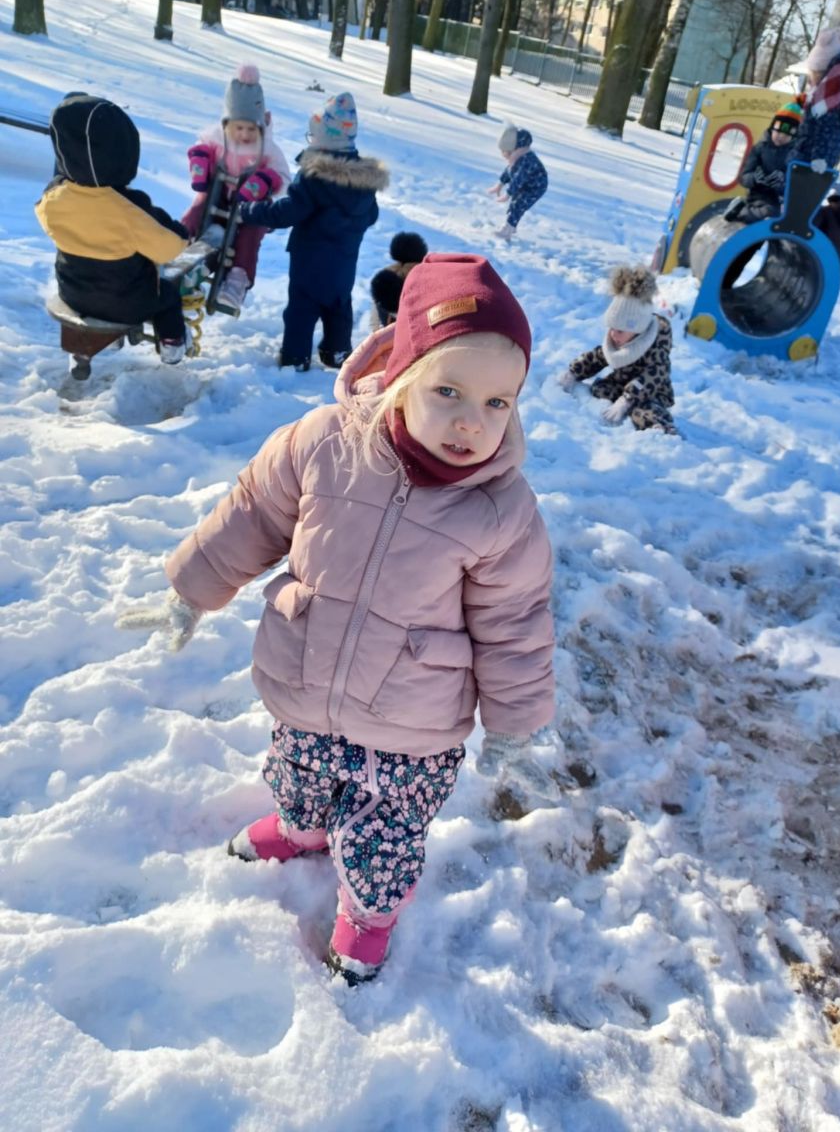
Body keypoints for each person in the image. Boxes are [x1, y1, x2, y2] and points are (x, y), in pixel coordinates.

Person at [117, 253, 556, 985]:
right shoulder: (323, 443)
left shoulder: (501, 511)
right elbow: (252, 517)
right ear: (403, 373)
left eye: (496, 403)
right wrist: (190, 591)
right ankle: (301, 828)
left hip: (411, 724)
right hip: (307, 678)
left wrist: (513, 722)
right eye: (448, 390)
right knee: (298, 771)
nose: (469, 422)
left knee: (385, 834)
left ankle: (369, 916)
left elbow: (516, 623)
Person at [35, 92, 192, 365]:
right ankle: (171, 344)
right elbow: (169, 249)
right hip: (127, 304)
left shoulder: (54, 199)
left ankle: (85, 346)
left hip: (73, 294)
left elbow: (44, 217)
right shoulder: (129, 208)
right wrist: (181, 232)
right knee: (167, 294)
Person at [240, 92, 389, 371]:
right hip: (344, 262)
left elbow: (289, 211)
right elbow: (371, 215)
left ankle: (295, 357)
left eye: (312, 135)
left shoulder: (315, 176)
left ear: (322, 138)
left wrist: (251, 211)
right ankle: (337, 351)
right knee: (338, 306)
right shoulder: (363, 181)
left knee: (302, 308)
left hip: (310, 260)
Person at [180, 64, 291, 317]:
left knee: (250, 235)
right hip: (218, 196)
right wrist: (200, 161)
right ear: (227, 124)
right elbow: (201, 147)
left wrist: (265, 180)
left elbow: (283, 178)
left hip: (251, 206)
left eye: (251, 129)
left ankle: (237, 280)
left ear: (260, 126)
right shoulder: (218, 138)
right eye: (239, 128)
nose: (244, 134)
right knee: (197, 209)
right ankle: (178, 244)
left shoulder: (267, 148)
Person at [560, 265, 676, 435]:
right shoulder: (619, 339)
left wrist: (627, 399)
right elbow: (598, 356)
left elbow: (653, 376)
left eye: (620, 330)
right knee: (599, 389)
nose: (613, 334)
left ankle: (661, 427)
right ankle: (626, 402)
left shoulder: (654, 347)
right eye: (612, 328)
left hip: (652, 391)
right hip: (623, 383)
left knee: (642, 410)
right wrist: (573, 372)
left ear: (637, 329)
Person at [790, 28, 840, 171]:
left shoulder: (832, 90)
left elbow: (827, 125)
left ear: (822, 70)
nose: (811, 80)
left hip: (813, 158)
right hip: (819, 153)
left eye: (813, 73)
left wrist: (819, 157)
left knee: (800, 184)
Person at [724, 98, 804, 225]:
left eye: (787, 135)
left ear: (793, 137)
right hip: (759, 196)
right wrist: (754, 178)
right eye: (778, 132)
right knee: (769, 212)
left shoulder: (794, 156)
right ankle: (740, 211)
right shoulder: (760, 149)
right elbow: (743, 176)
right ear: (772, 128)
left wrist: (782, 182)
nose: (781, 137)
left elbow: (796, 184)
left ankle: (743, 212)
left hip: (780, 199)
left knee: (781, 216)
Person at [487, 125, 548, 241]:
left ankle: (507, 230)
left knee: (517, 205)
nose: (503, 155)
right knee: (515, 204)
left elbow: (517, 179)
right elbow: (509, 171)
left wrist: (507, 194)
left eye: (505, 152)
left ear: (515, 149)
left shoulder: (526, 161)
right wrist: (499, 185)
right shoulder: (517, 157)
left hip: (535, 188)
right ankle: (512, 226)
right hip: (526, 183)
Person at [369, 230, 428, 329]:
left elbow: (374, 317)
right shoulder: (425, 275)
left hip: (390, 330)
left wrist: (376, 331)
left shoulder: (384, 276)